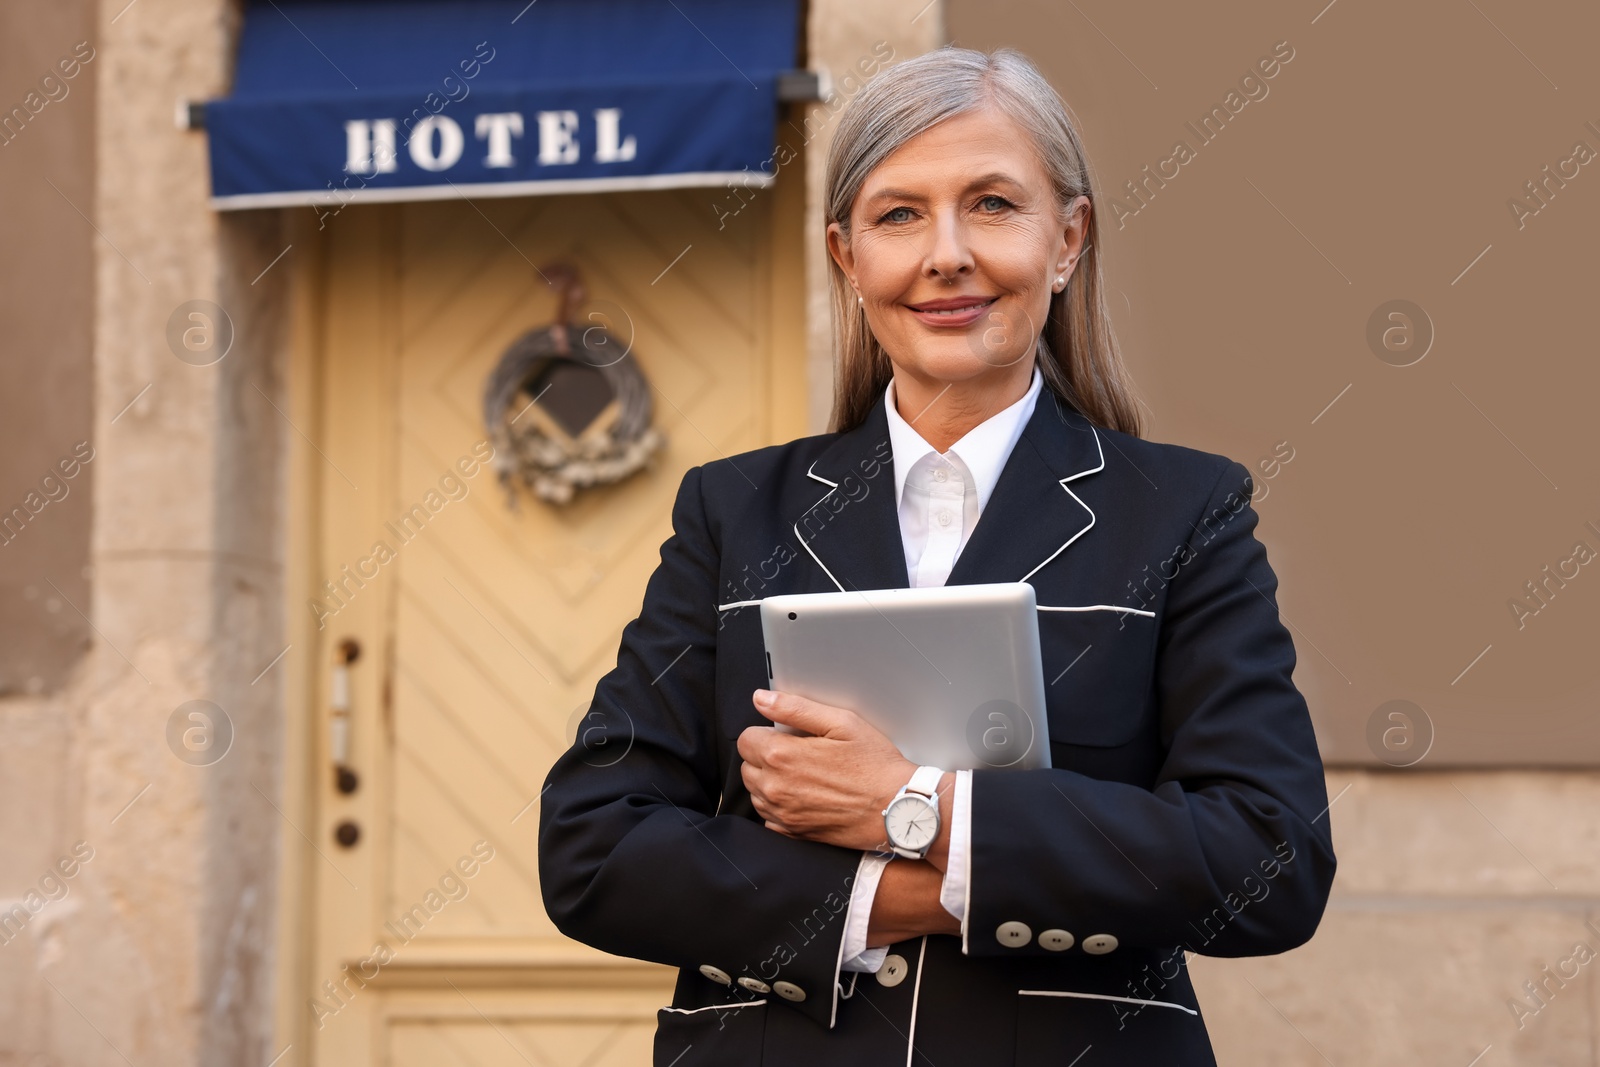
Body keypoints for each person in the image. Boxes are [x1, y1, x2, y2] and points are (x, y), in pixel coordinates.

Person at [538, 45, 1336, 1066]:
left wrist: (917, 805)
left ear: (1067, 238)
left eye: (993, 204)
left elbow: (1269, 857)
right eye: (898, 214)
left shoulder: (1184, 512)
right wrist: (889, 890)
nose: (945, 253)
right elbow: (593, 843)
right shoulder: (734, 510)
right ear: (847, 256)